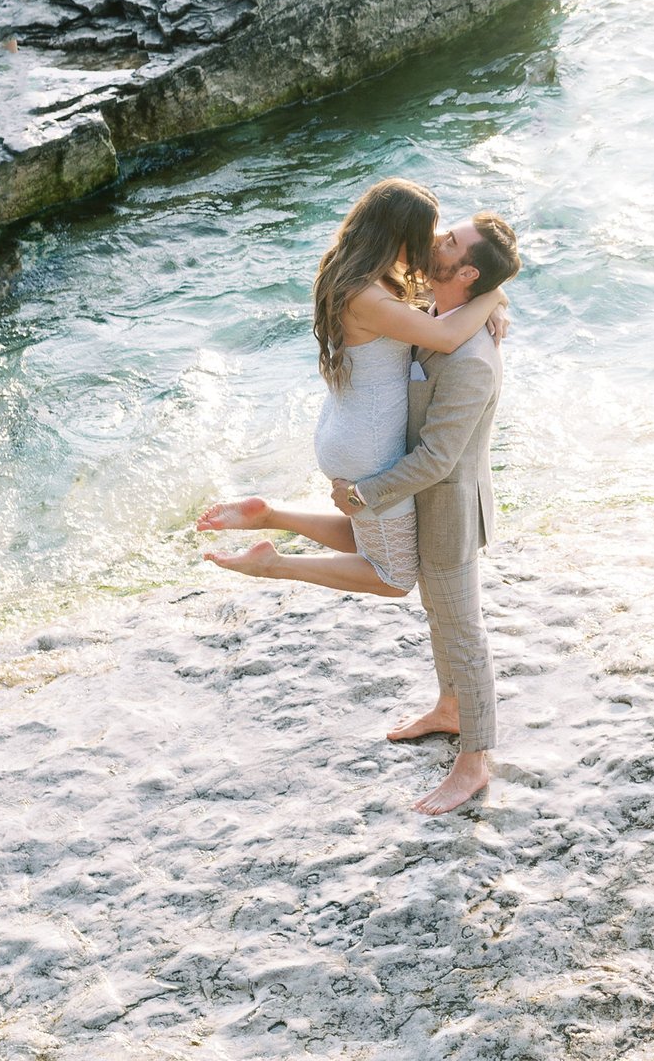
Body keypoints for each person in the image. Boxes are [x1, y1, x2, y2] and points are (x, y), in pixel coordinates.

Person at [196, 180, 521, 814]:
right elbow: (446, 326)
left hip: (438, 497)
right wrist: (492, 295)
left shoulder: (446, 332)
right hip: (378, 458)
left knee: (458, 626)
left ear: (466, 270)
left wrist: (488, 296)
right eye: (431, 232)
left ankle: (474, 757)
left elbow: (441, 455)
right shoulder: (411, 304)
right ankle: (452, 711)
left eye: (447, 239)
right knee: (407, 582)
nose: (434, 242)